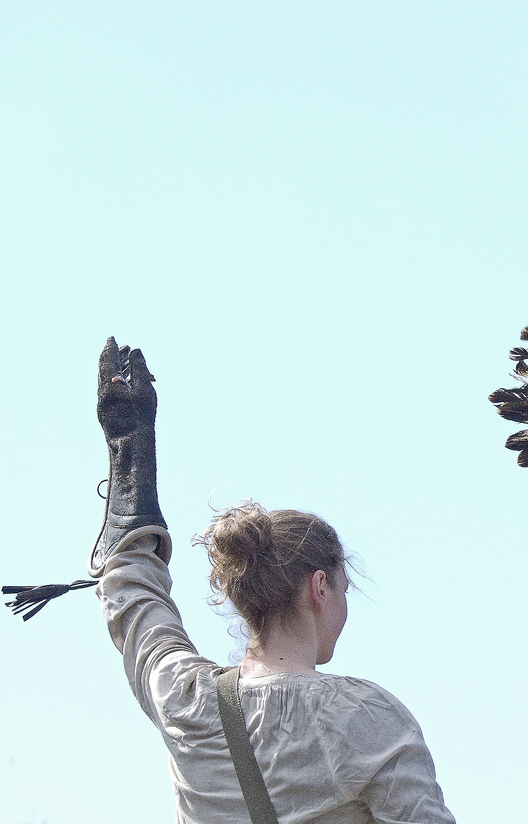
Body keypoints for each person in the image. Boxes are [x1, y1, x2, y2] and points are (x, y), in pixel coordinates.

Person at [90, 337, 457, 823]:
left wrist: (129, 451)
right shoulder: (370, 721)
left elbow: (135, 604)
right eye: (345, 592)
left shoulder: (183, 698)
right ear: (319, 588)